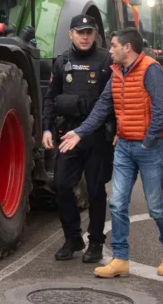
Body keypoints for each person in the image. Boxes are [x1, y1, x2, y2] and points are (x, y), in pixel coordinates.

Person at [59, 27, 163, 279]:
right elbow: (102, 108)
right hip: (124, 147)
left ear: (127, 48)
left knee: (155, 207)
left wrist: (147, 142)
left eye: (113, 45)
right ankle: (120, 258)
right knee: (117, 203)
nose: (109, 50)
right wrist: (80, 132)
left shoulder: (151, 70)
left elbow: (160, 111)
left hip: (149, 148)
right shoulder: (117, 73)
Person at [42, 15, 113, 263]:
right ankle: (73, 237)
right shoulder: (62, 61)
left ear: (95, 34)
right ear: (71, 34)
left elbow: (115, 99)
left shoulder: (106, 60)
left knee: (95, 191)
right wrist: (47, 129)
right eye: (80, 32)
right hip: (68, 135)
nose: (85, 37)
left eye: (89, 32)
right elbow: (50, 98)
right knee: (61, 185)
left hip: (96, 137)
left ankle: (95, 243)